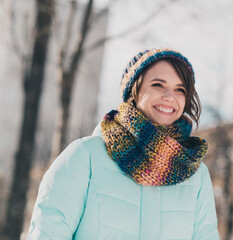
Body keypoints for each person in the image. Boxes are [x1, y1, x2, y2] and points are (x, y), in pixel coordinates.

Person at [27, 48, 220, 240]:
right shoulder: (85, 157)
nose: (170, 96)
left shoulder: (196, 175)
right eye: (158, 85)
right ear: (134, 91)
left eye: (180, 89)